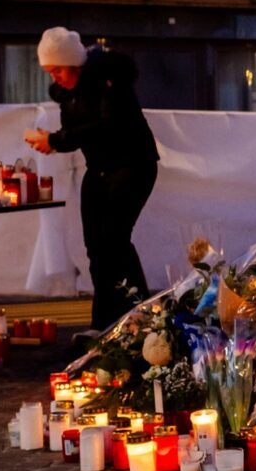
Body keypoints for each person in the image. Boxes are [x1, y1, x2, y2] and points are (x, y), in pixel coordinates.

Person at [24, 27, 159, 334]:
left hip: (131, 165)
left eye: (58, 69)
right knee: (96, 247)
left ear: (73, 63)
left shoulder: (109, 82)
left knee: (114, 239)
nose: (55, 77)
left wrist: (57, 139)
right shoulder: (68, 96)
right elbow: (77, 134)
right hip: (98, 168)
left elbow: (108, 125)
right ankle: (105, 322)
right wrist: (52, 140)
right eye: (49, 71)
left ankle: (138, 314)